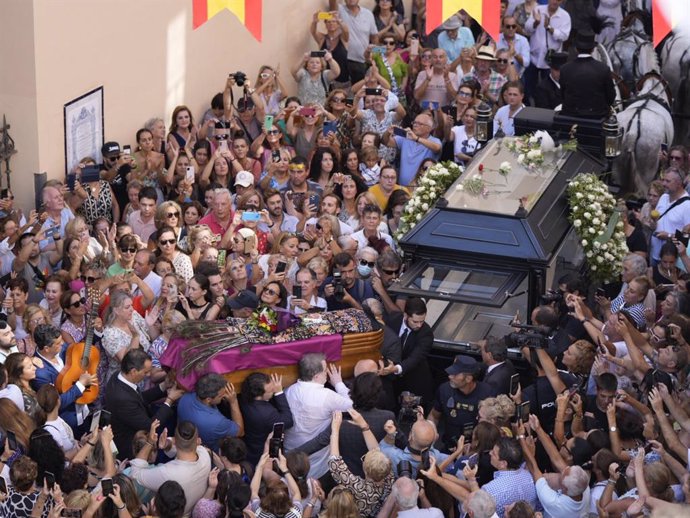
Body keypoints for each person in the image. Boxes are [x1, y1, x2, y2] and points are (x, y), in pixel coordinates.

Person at [104, 348, 184, 460]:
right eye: (146, 372)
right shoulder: (122, 399)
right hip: (131, 446)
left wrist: (164, 386)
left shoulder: (119, 376)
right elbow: (149, 426)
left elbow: (139, 398)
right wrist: (170, 400)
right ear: (133, 371)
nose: (149, 375)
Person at [283, 352, 352, 479]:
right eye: (325, 370)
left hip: (290, 458)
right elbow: (351, 406)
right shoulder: (327, 396)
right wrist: (338, 383)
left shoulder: (288, 391)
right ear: (316, 376)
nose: (327, 373)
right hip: (318, 464)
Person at [129, 420, 212, 517]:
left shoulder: (166, 473)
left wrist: (150, 442)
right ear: (197, 440)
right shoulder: (205, 455)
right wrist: (167, 444)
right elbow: (184, 448)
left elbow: (135, 473)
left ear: (175, 440)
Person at [384, 297, 435, 410]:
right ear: (406, 316)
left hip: (414, 380)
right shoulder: (393, 320)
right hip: (391, 381)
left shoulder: (426, 332)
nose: (419, 325)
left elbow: (415, 358)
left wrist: (396, 368)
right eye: (415, 321)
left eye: (422, 321)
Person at [177, 373, 244, 452]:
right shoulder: (217, 422)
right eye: (221, 396)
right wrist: (233, 402)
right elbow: (240, 432)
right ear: (208, 399)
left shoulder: (185, 398)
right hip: (208, 453)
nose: (224, 396)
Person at [523, 0, 572, 104]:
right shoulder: (538, 9)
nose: (555, 1)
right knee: (528, 88)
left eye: (558, 0)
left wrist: (550, 28)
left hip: (550, 61)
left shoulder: (565, 16)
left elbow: (564, 36)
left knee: (548, 89)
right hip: (534, 57)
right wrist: (535, 23)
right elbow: (527, 29)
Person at [240, 372, 293, 466]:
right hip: (261, 452)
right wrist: (279, 392)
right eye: (271, 390)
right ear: (260, 395)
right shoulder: (267, 414)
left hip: (250, 444)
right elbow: (288, 421)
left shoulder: (244, 397)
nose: (274, 390)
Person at [560, 31, 616, 118]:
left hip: (571, 116)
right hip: (597, 116)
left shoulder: (565, 69)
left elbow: (563, 95)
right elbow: (611, 96)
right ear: (593, 49)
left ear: (576, 49)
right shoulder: (603, 69)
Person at [329, 0, 379, 84]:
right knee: (343, 92)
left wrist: (373, 56)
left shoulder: (368, 14)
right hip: (344, 60)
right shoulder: (339, 10)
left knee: (360, 92)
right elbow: (332, 2)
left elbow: (374, 36)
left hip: (362, 61)